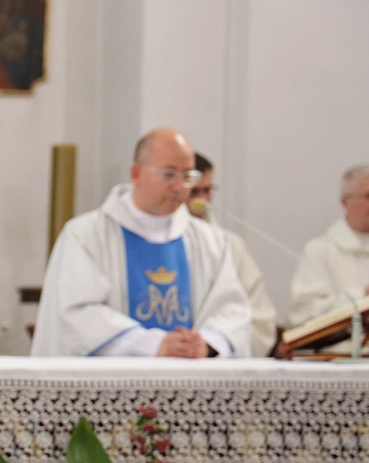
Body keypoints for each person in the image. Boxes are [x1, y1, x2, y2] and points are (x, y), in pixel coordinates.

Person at [32, 128, 251, 358]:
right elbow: (79, 313)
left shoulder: (211, 242)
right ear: (136, 173)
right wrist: (154, 345)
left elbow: (232, 312)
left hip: (191, 378)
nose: (180, 187)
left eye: (187, 176)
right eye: (169, 174)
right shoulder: (86, 235)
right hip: (113, 379)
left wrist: (205, 343)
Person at [187, 153, 277, 356]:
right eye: (194, 192)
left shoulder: (230, 246)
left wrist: (217, 344)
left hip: (218, 359)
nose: (202, 200)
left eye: (207, 191)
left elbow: (260, 319)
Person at [289, 164, 369, 329]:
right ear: (345, 202)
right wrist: (362, 296)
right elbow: (304, 314)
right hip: (340, 344)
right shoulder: (320, 250)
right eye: (368, 196)